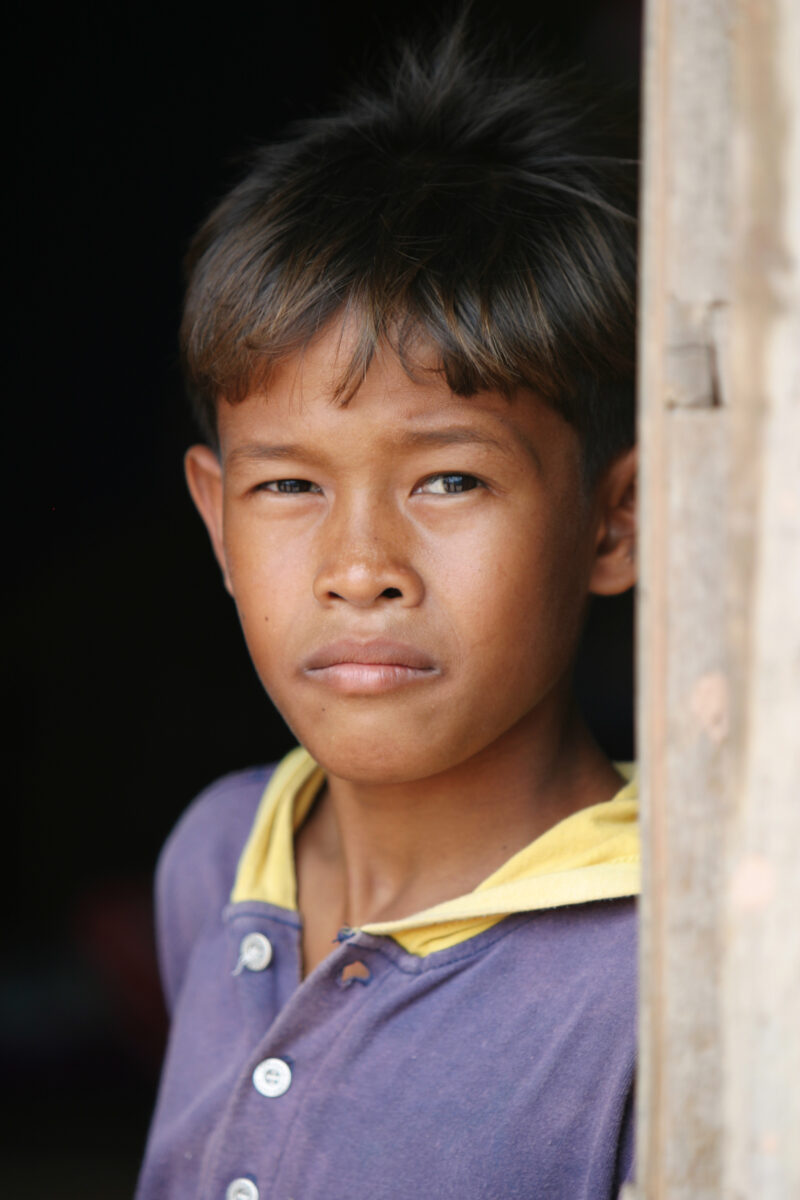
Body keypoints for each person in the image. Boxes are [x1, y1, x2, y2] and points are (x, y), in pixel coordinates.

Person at [136, 23, 639, 1200]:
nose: (359, 568)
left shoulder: (675, 965)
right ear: (217, 521)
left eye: (448, 479)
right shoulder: (218, 859)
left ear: (612, 524)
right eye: (287, 486)